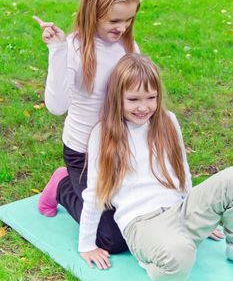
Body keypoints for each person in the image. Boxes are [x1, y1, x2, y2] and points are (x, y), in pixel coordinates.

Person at [78, 53, 233, 280]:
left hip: (179, 210)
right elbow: (94, 192)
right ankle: (157, 260)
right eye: (133, 99)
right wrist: (86, 244)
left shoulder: (168, 121)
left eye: (151, 97)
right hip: (142, 224)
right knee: (180, 255)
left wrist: (202, 217)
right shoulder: (103, 134)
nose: (144, 107)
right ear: (116, 98)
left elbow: (182, 172)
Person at [33, 0, 140, 254]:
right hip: (83, 155)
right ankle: (62, 186)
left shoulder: (128, 46)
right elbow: (56, 107)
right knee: (113, 240)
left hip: (119, 149)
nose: (123, 28)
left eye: (129, 19)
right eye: (115, 21)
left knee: (136, 220)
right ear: (93, 13)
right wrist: (57, 51)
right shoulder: (75, 49)